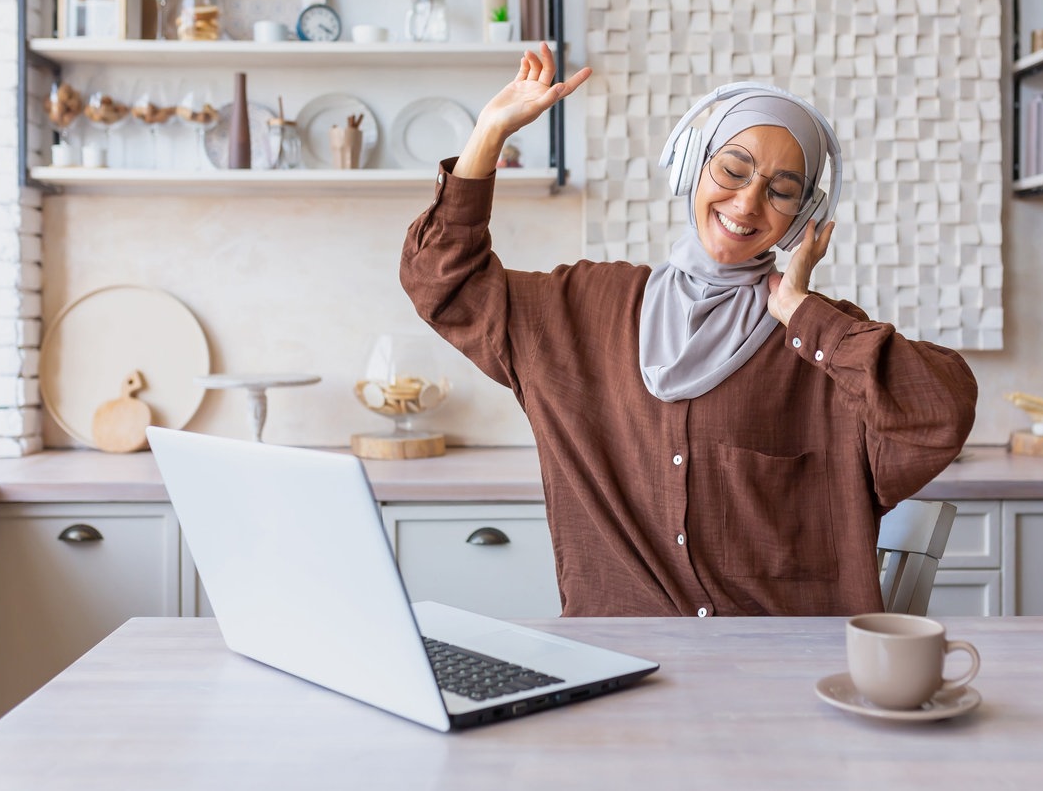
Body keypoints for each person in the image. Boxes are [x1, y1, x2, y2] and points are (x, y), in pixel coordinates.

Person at [401, 44, 977, 617]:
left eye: (781, 190)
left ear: (802, 219)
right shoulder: (580, 309)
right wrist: (488, 135)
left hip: (783, 681)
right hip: (625, 672)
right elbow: (441, 283)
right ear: (692, 167)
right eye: (733, 168)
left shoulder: (820, 341)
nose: (748, 201)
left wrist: (806, 314)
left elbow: (939, 416)